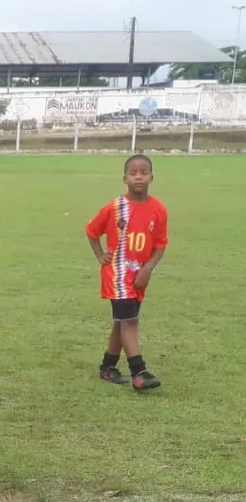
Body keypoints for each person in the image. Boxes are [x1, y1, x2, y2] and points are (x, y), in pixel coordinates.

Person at [85, 154, 167, 392]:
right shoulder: (116, 207)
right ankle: (139, 372)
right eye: (133, 173)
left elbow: (160, 244)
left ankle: (107, 367)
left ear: (152, 177)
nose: (138, 177)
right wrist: (100, 255)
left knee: (122, 322)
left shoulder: (158, 209)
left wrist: (148, 268)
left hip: (139, 276)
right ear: (125, 178)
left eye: (143, 172)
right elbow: (92, 231)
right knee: (129, 321)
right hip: (117, 276)